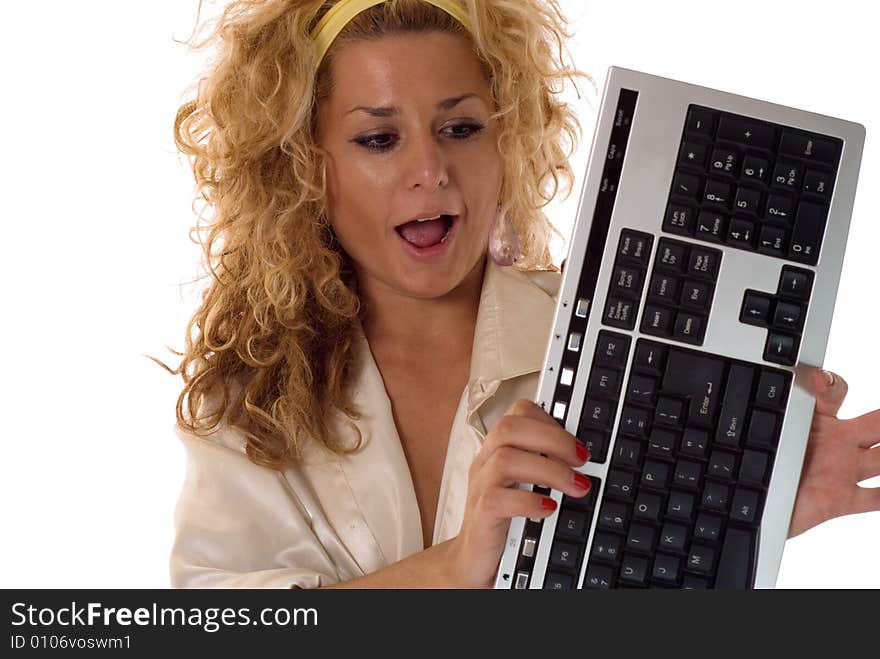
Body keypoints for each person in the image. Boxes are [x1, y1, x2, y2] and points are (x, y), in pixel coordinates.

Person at [161, 0, 880, 588]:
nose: (431, 169)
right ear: (307, 168)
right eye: (379, 139)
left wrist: (720, 505)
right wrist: (457, 566)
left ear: (508, 139)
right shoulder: (245, 405)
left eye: (461, 128)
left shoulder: (622, 342)